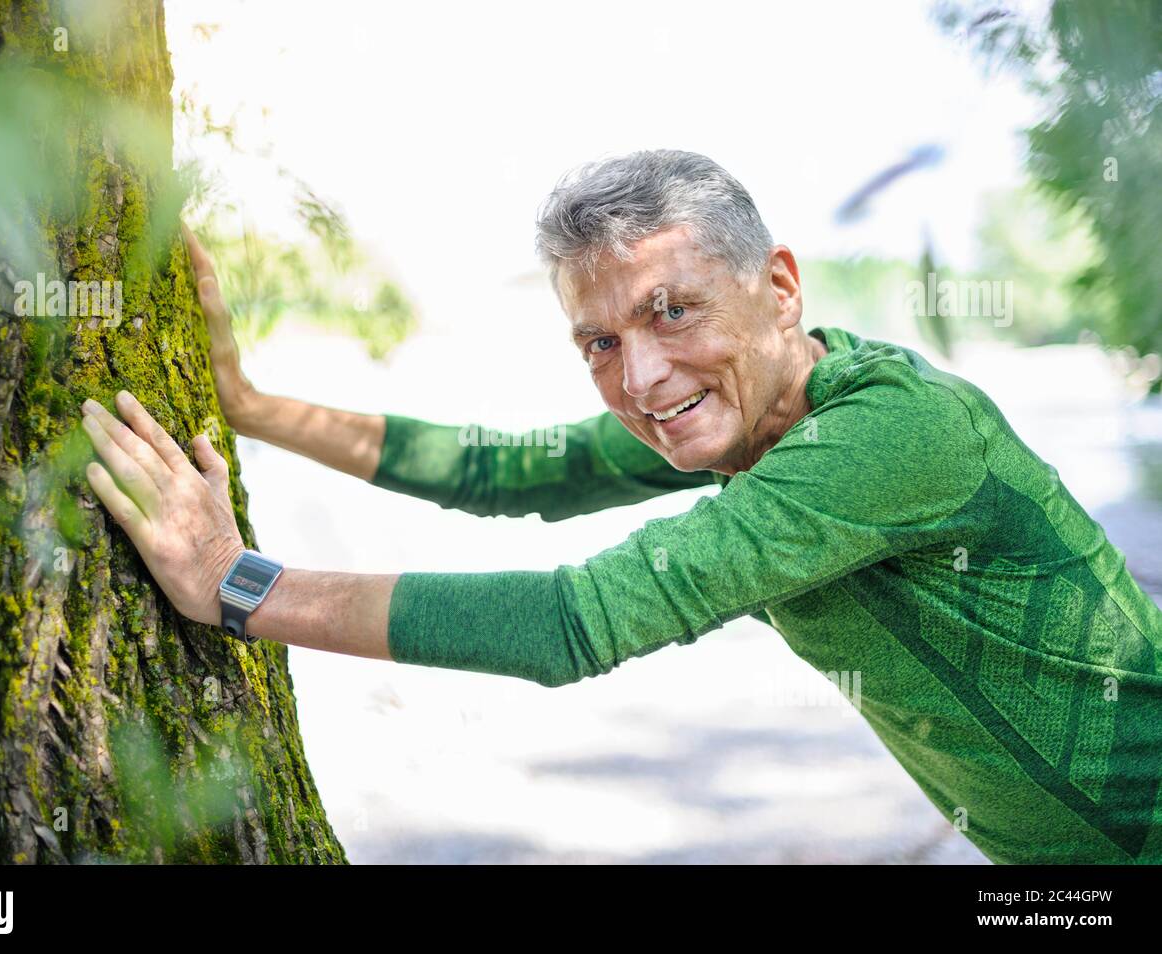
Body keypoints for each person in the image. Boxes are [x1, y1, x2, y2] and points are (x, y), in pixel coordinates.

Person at [80, 150, 1162, 864]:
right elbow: (505, 471)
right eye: (600, 342)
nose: (640, 378)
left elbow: (571, 623)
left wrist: (234, 582)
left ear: (779, 288)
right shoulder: (746, 413)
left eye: (672, 311)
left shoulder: (885, 434)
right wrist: (253, 408)